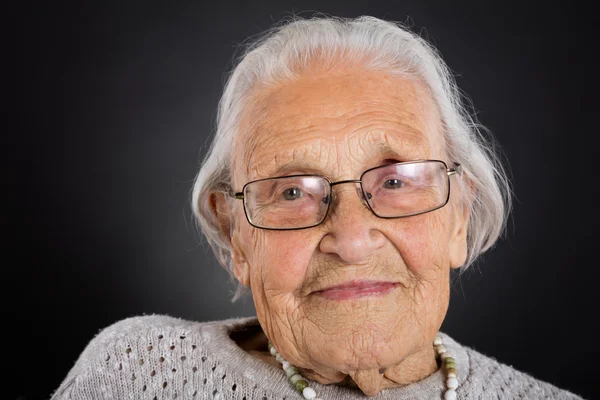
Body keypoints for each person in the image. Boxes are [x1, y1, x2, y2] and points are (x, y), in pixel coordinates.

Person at [50, 15, 584, 400]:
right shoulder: (138, 377)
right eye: (291, 192)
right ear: (236, 235)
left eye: (395, 180)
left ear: (458, 217)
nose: (352, 240)